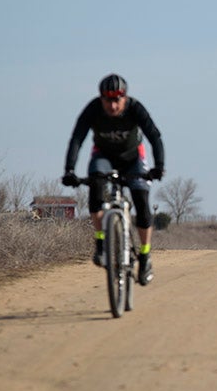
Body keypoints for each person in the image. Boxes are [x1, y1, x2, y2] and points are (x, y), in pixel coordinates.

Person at [62, 74, 165, 285]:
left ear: (125, 98)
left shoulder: (136, 108)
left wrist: (158, 167)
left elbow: (154, 136)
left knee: (142, 203)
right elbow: (77, 138)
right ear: (101, 98)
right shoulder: (93, 109)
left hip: (133, 158)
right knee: (96, 190)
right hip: (103, 157)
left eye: (117, 99)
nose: (113, 105)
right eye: (108, 99)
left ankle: (144, 256)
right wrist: (69, 170)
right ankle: (100, 243)